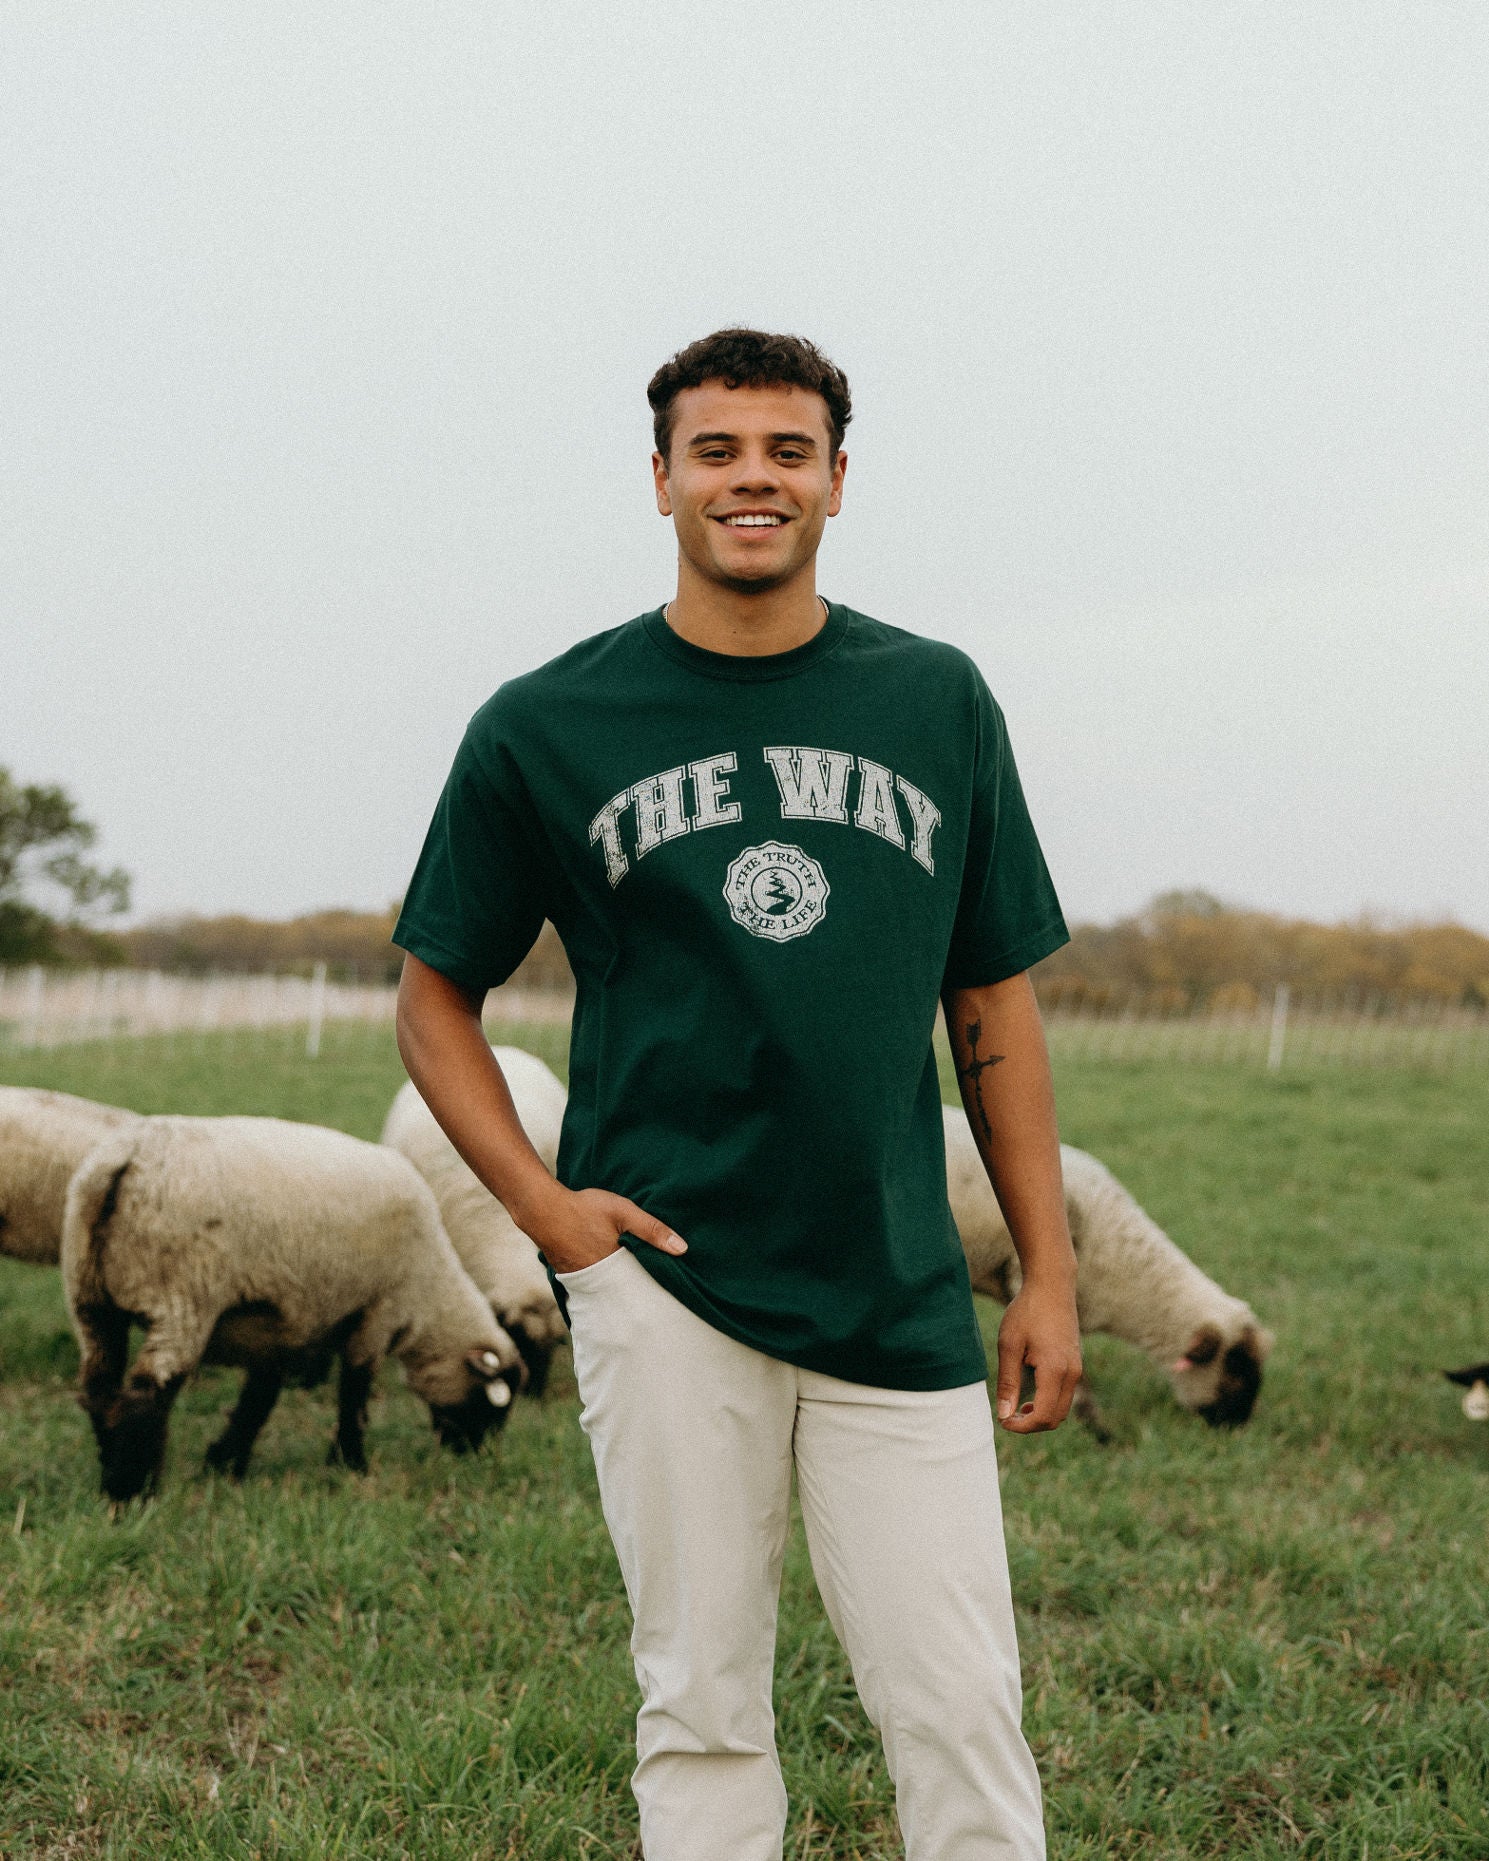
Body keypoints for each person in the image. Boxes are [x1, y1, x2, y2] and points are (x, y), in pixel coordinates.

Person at [392, 328, 1082, 1861]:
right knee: (700, 1703)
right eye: (716, 451)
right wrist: (548, 1211)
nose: (751, 479)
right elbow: (434, 991)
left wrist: (1044, 1269)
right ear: (660, 481)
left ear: (837, 478)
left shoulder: (935, 699)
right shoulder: (546, 721)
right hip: (662, 1278)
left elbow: (993, 1001)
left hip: (897, 1284)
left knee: (961, 1699)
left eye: (785, 450)